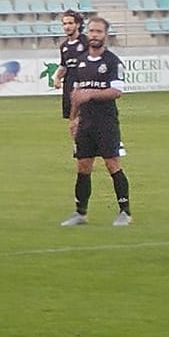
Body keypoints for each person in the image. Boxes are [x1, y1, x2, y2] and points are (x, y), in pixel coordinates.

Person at [60, 16, 132, 227]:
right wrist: (73, 119)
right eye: (91, 31)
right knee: (83, 165)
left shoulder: (112, 62)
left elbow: (117, 91)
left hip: (106, 122)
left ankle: (125, 212)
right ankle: (80, 213)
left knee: (112, 164)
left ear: (105, 35)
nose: (94, 35)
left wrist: (91, 94)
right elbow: (76, 93)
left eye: (98, 32)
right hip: (86, 123)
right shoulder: (81, 61)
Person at [51, 9, 87, 135]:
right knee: (72, 119)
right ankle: (78, 147)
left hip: (83, 84)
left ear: (77, 25)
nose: (67, 26)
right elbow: (63, 66)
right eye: (65, 24)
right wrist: (56, 78)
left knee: (85, 118)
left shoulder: (86, 42)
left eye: (70, 23)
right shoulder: (64, 46)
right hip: (69, 85)